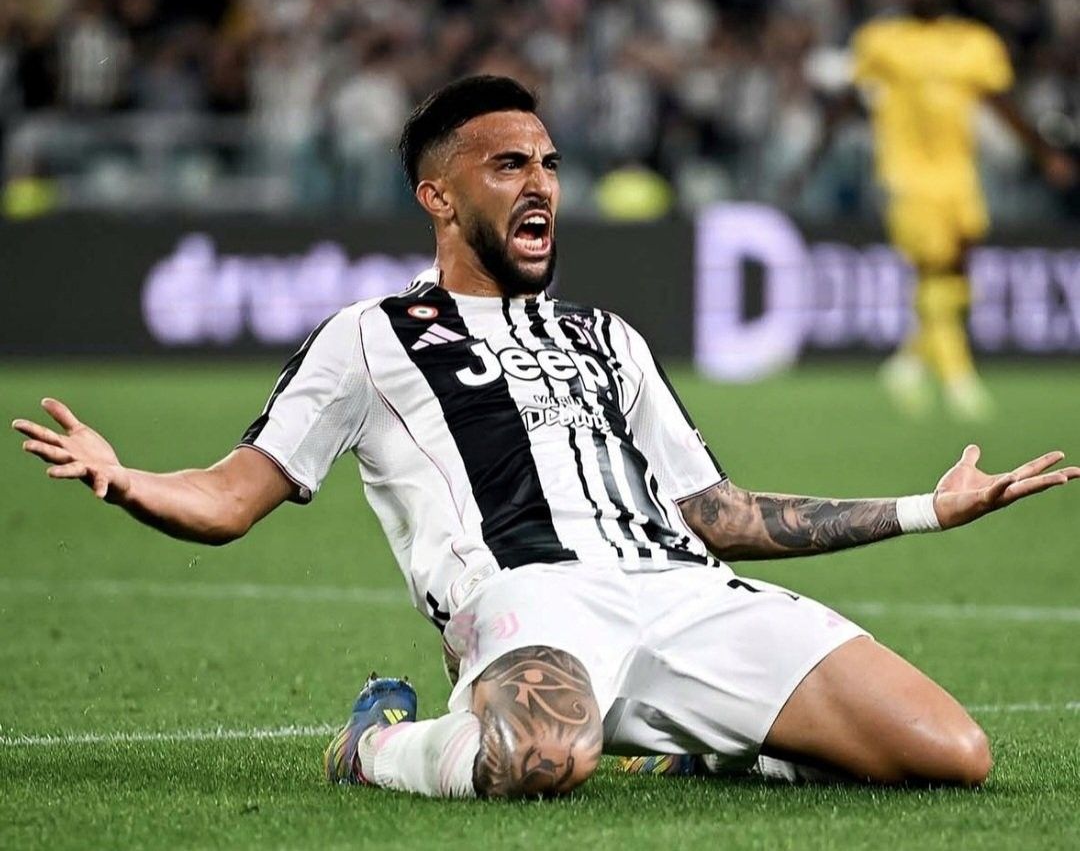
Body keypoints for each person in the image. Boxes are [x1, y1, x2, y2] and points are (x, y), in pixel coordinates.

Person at [12, 76, 1078, 799]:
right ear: (438, 195)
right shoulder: (370, 336)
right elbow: (231, 494)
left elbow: (717, 513)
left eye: (550, 163)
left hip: (686, 592)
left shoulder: (609, 335)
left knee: (955, 754)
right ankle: (377, 742)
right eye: (508, 164)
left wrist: (924, 508)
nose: (541, 185)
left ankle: (703, 739)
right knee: (543, 758)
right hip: (531, 601)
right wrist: (127, 478)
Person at [795, 0, 1076, 420]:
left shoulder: (974, 43)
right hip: (908, 177)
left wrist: (1045, 155)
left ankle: (908, 363)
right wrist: (811, 160)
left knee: (958, 271)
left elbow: (1002, 103)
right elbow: (847, 102)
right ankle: (959, 380)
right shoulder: (882, 40)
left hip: (958, 176)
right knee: (934, 270)